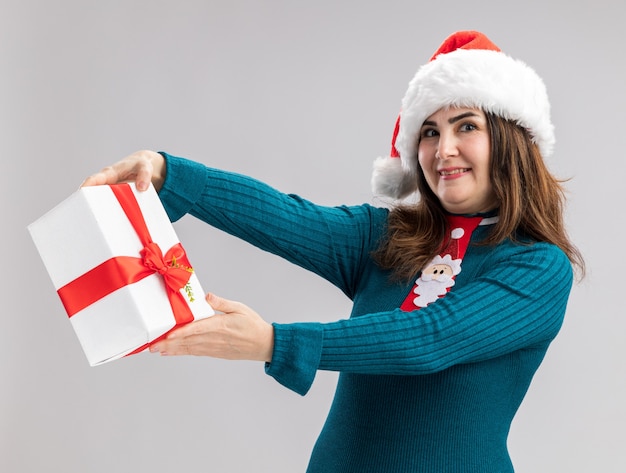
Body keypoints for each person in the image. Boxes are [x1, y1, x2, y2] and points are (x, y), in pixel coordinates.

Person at [82, 30, 585, 473]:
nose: (443, 149)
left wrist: (275, 342)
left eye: (466, 126)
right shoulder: (390, 238)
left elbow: (428, 339)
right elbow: (289, 218)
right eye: (430, 132)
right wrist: (171, 172)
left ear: (511, 140)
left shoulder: (537, 268)